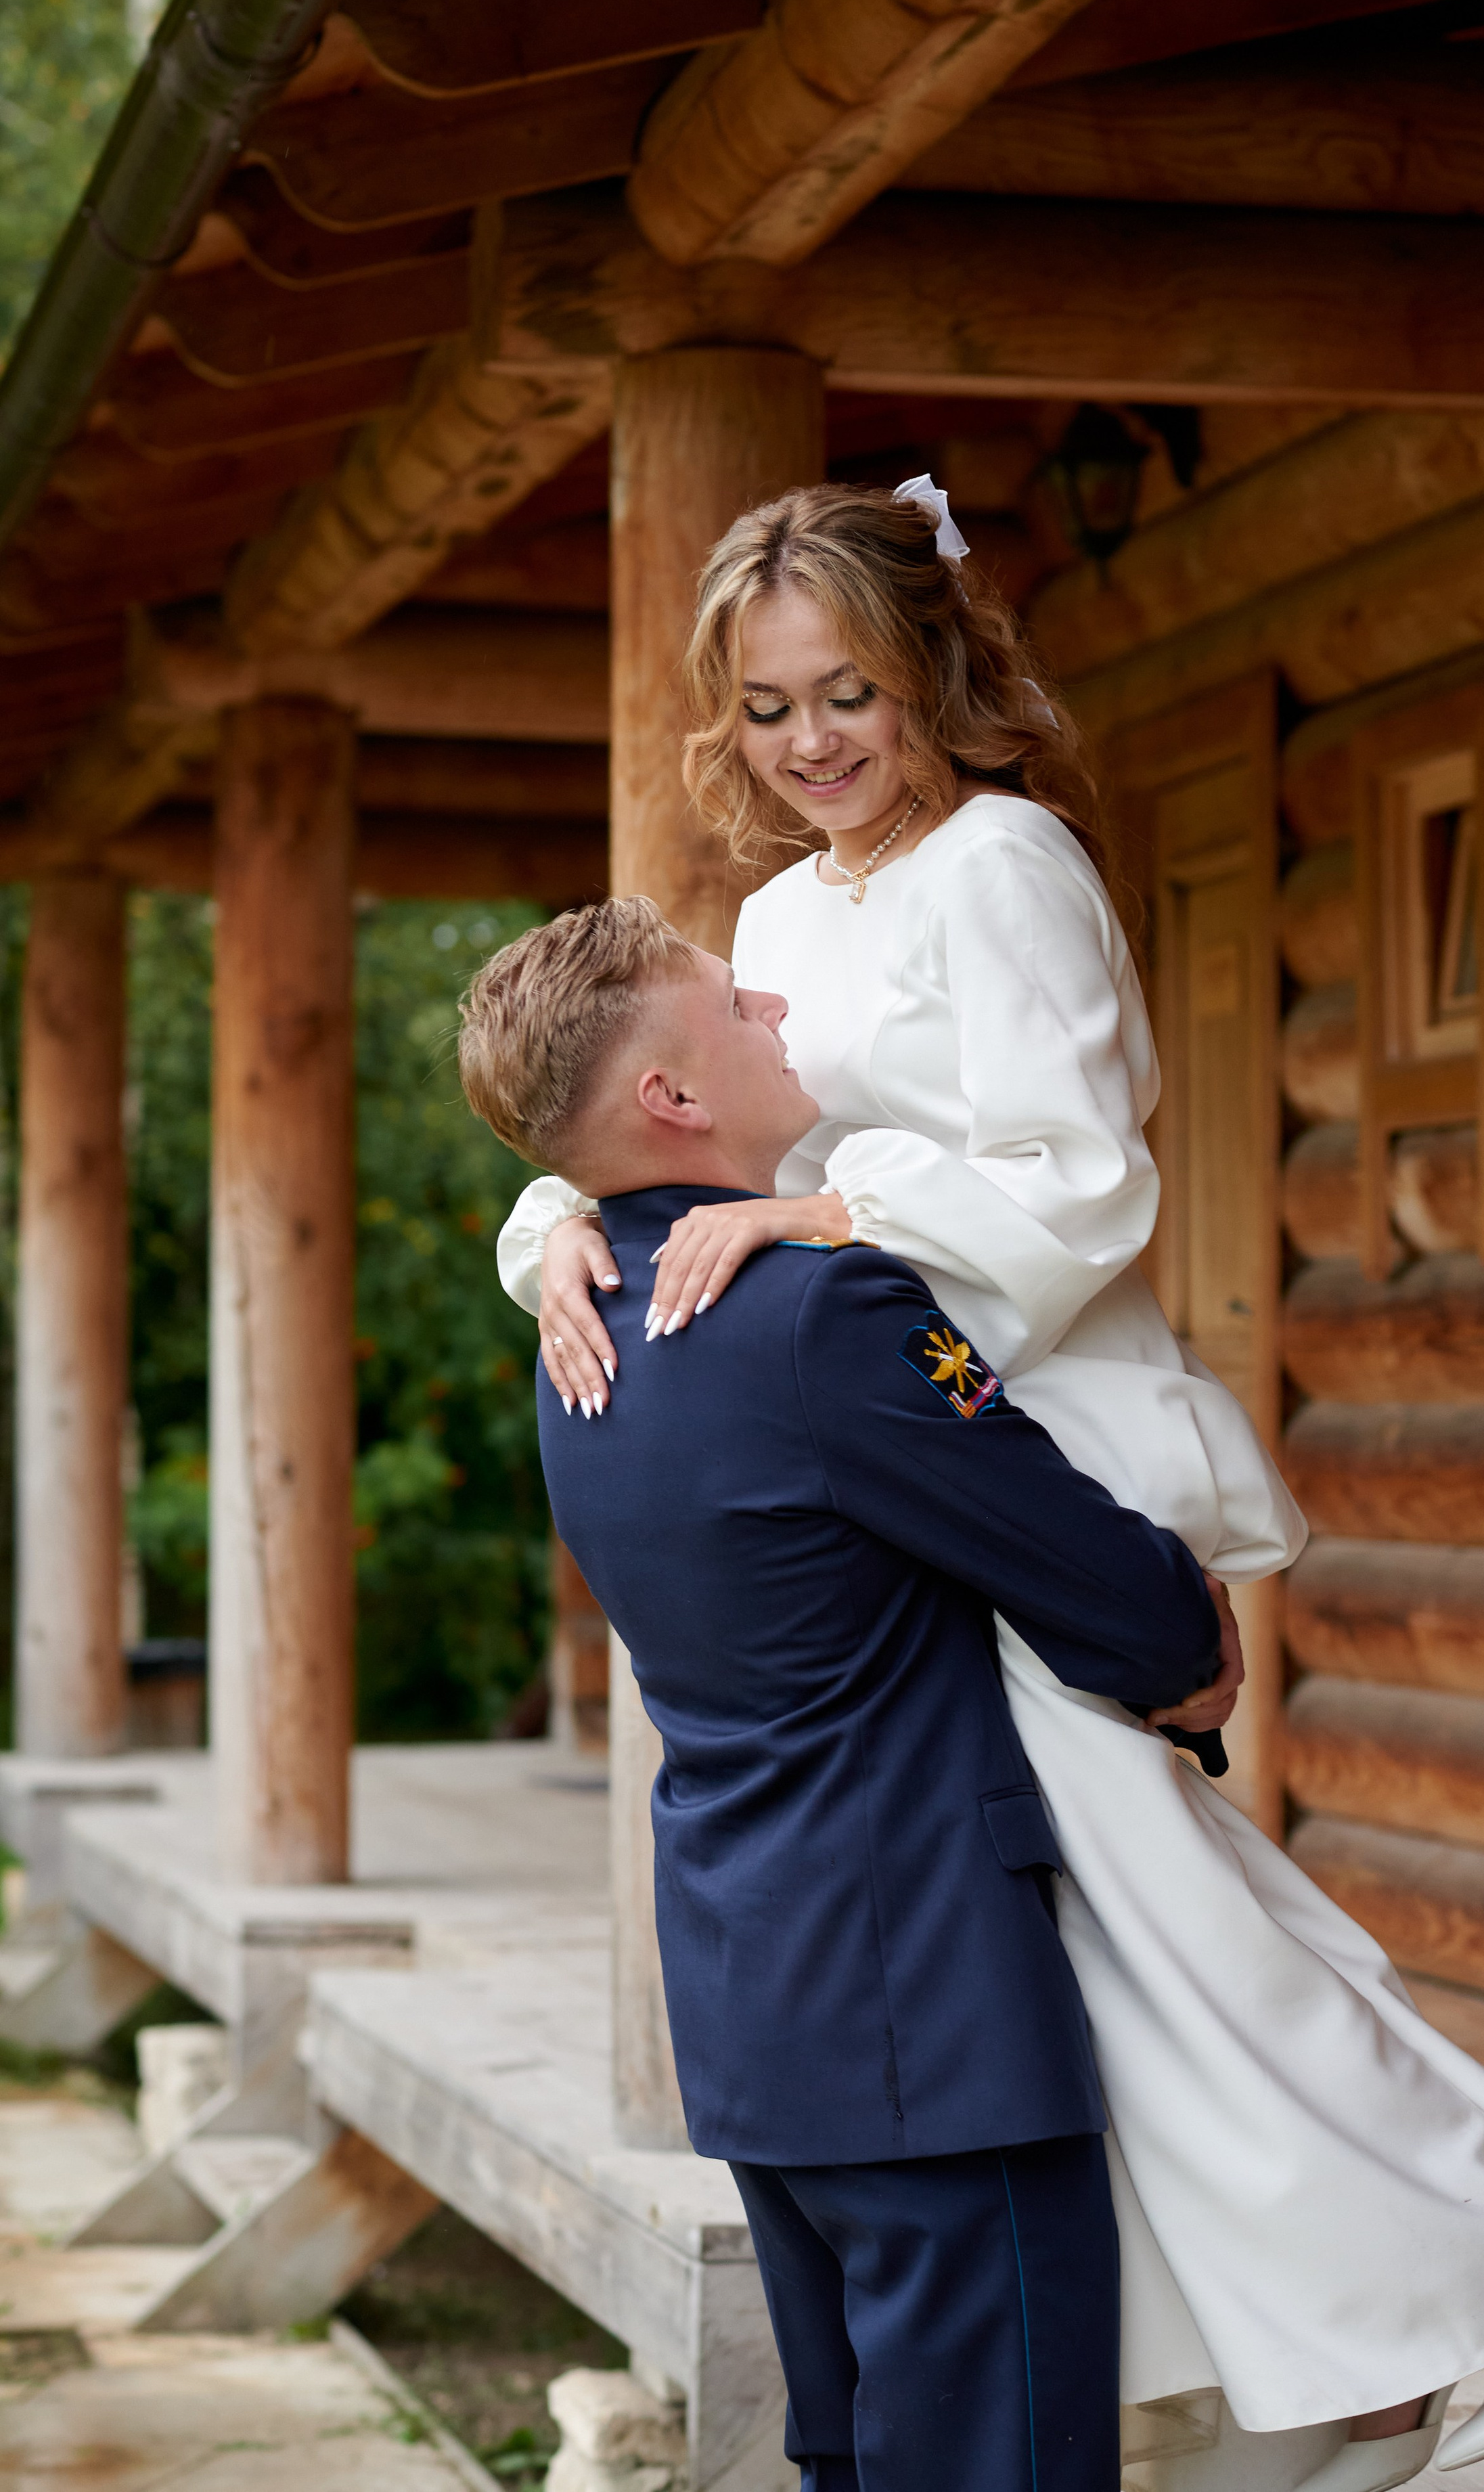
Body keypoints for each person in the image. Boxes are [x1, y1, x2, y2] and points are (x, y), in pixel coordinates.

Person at [492, 484, 1484, 2489]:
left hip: (1017, 1418)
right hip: (888, 1472)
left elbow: (1079, 1181)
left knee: (1174, 1934)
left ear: (929, 667)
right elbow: (661, 1119)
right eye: (770, 707)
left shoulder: (1005, 861)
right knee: (1108, 1964)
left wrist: (818, 1217)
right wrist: (549, 1231)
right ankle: (1358, 2343)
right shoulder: (776, 921)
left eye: (848, 692)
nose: (811, 743)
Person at [459, 895, 1240, 2492]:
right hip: (928, 2011)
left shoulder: (577, 1326)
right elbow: (1084, 1565)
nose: (772, 1005)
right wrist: (1186, 1639)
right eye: (732, 1003)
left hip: (755, 2005)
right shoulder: (828, 1311)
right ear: (673, 1095)